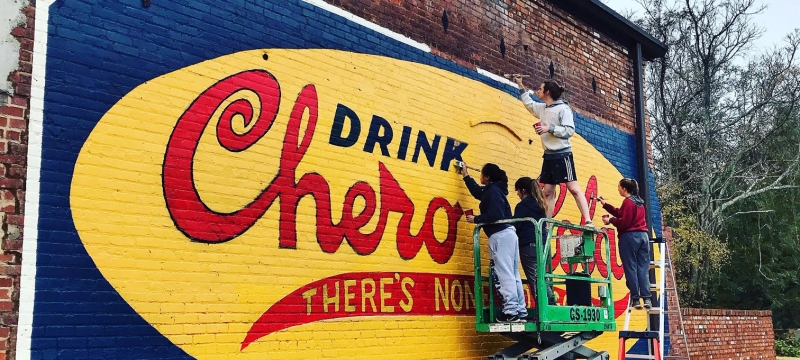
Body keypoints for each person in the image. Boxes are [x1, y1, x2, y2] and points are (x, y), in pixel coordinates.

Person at [512, 76, 593, 227]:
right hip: (548, 155)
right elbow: (529, 104)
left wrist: (549, 128)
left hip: (563, 154)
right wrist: (520, 85)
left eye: (540, 89)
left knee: (573, 188)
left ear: (547, 92)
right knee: (548, 192)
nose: (538, 90)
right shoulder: (542, 108)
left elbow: (569, 130)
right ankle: (548, 224)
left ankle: (588, 220)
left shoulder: (564, 109)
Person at [462, 163, 527, 322]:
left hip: (500, 235)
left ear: (487, 176)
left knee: (504, 273)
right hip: (509, 234)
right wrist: (465, 175)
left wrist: (476, 219)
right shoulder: (494, 190)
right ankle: (520, 311)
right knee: (512, 273)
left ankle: (511, 312)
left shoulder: (492, 191)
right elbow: (478, 192)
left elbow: (495, 214)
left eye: (482, 174)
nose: (480, 177)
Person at [598, 178, 651, 309]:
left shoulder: (627, 202)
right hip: (643, 236)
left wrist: (610, 220)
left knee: (631, 267)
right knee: (643, 268)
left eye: (619, 187)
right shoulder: (639, 203)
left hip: (630, 237)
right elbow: (620, 213)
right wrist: (605, 204)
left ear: (624, 189)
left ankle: (636, 299)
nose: (618, 189)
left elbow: (624, 222)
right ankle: (647, 298)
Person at [512, 177, 556, 313]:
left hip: (528, 246)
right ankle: (550, 303)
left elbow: (516, 225)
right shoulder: (539, 203)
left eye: (518, 191)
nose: (518, 194)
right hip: (541, 245)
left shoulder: (522, 206)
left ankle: (546, 308)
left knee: (534, 279)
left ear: (523, 190)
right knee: (541, 277)